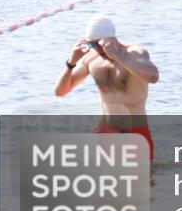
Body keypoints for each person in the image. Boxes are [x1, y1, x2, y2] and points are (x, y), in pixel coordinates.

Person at [54, 16, 159, 160]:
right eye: (92, 45)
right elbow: (60, 91)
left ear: (112, 38)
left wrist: (118, 56)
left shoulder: (135, 53)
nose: (97, 49)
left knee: (141, 180)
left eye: (99, 44)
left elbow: (153, 76)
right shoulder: (91, 59)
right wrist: (71, 63)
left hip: (135, 132)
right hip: (105, 131)